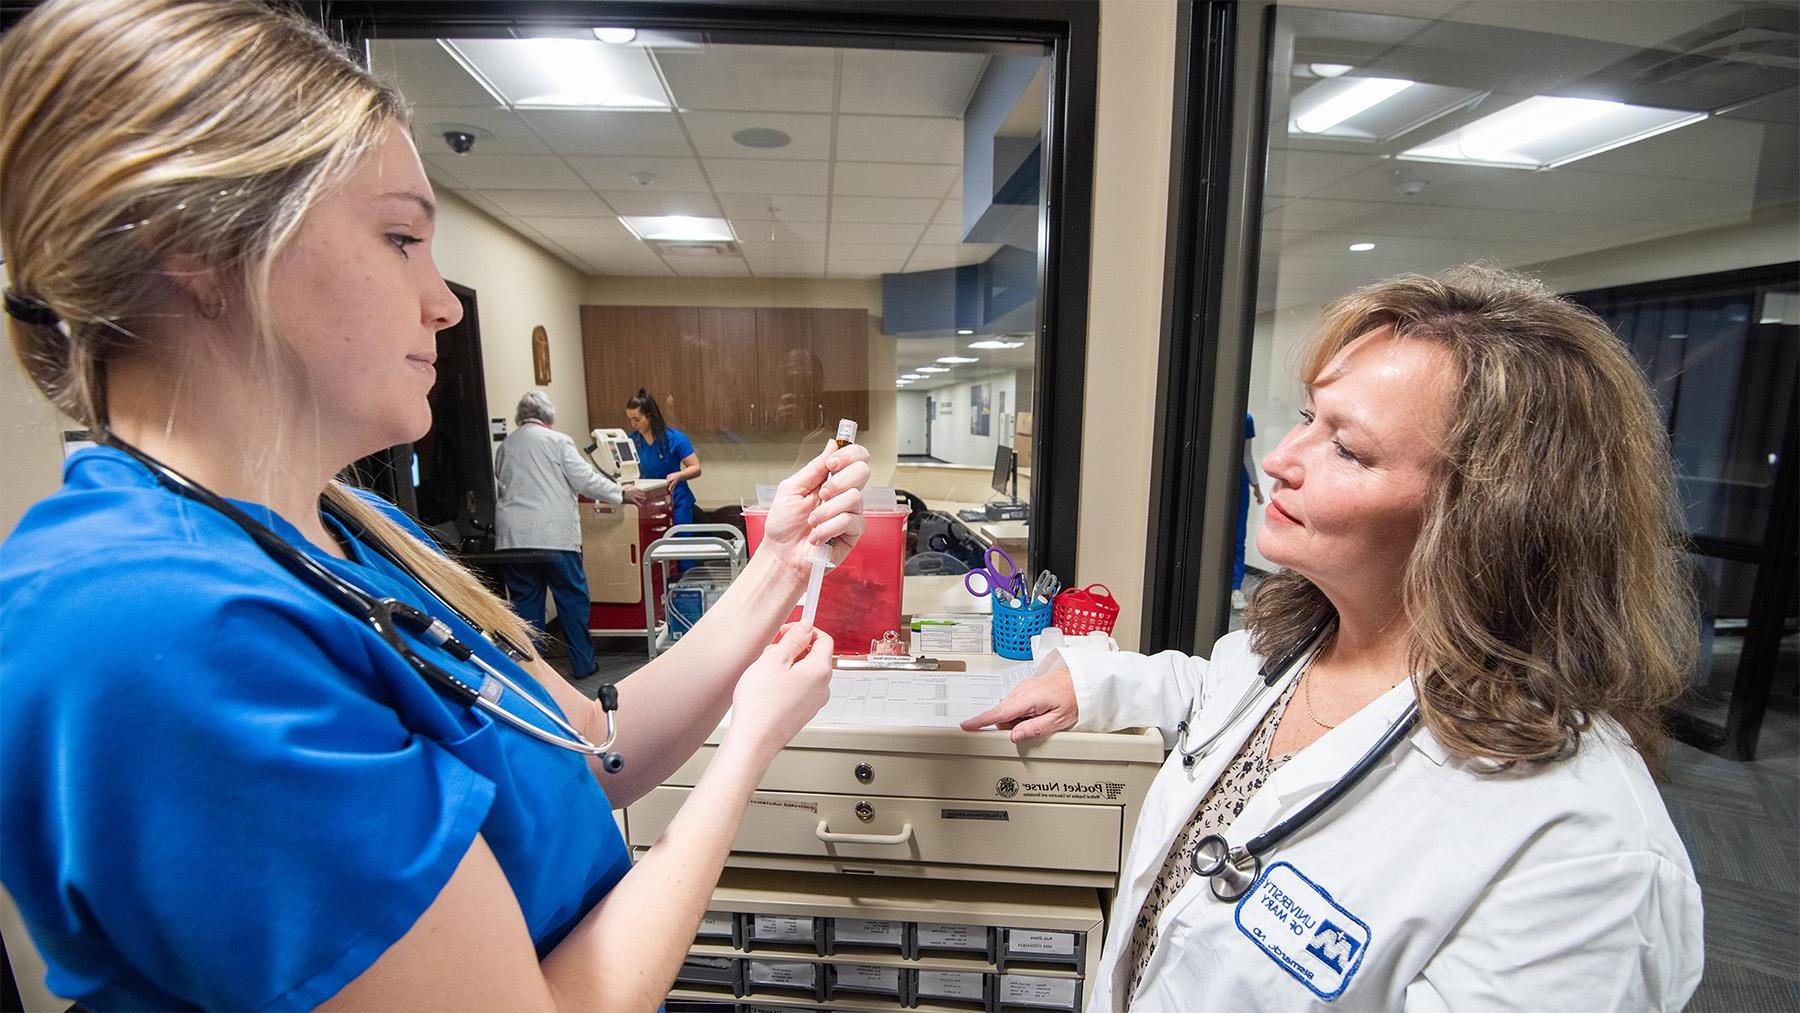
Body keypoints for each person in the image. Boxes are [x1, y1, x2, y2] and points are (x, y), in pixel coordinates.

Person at [0, 2, 872, 1009]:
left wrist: (777, 566)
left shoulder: (344, 533)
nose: (445, 302)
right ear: (189, 244)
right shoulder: (159, 633)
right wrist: (749, 741)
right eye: (401, 237)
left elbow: (593, 751)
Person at [965, 265, 1702, 1010]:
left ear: (1487, 519)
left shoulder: (1581, 852)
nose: (1283, 460)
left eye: (1347, 448)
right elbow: (1206, 693)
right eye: (1308, 417)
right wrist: (1094, 682)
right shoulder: (1292, 644)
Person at [494, 390, 646, 679]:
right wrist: (620, 493)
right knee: (571, 601)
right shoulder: (558, 441)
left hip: (512, 540)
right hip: (554, 538)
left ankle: (532, 672)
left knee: (525, 605)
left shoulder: (507, 445)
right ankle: (583, 665)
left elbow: (502, 478)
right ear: (548, 417)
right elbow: (584, 479)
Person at [625, 387, 700, 528]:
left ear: (650, 415)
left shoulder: (675, 438)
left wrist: (679, 475)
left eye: (637, 419)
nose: (632, 424)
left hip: (676, 501)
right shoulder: (630, 441)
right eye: (630, 419)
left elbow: (696, 467)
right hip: (647, 504)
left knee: (678, 544)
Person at [1231, 412, 1263, 611]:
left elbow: (1246, 455)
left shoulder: (1246, 419)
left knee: (1238, 536)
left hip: (1239, 481)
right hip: (1217, 476)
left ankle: (1235, 587)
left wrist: (1256, 486)